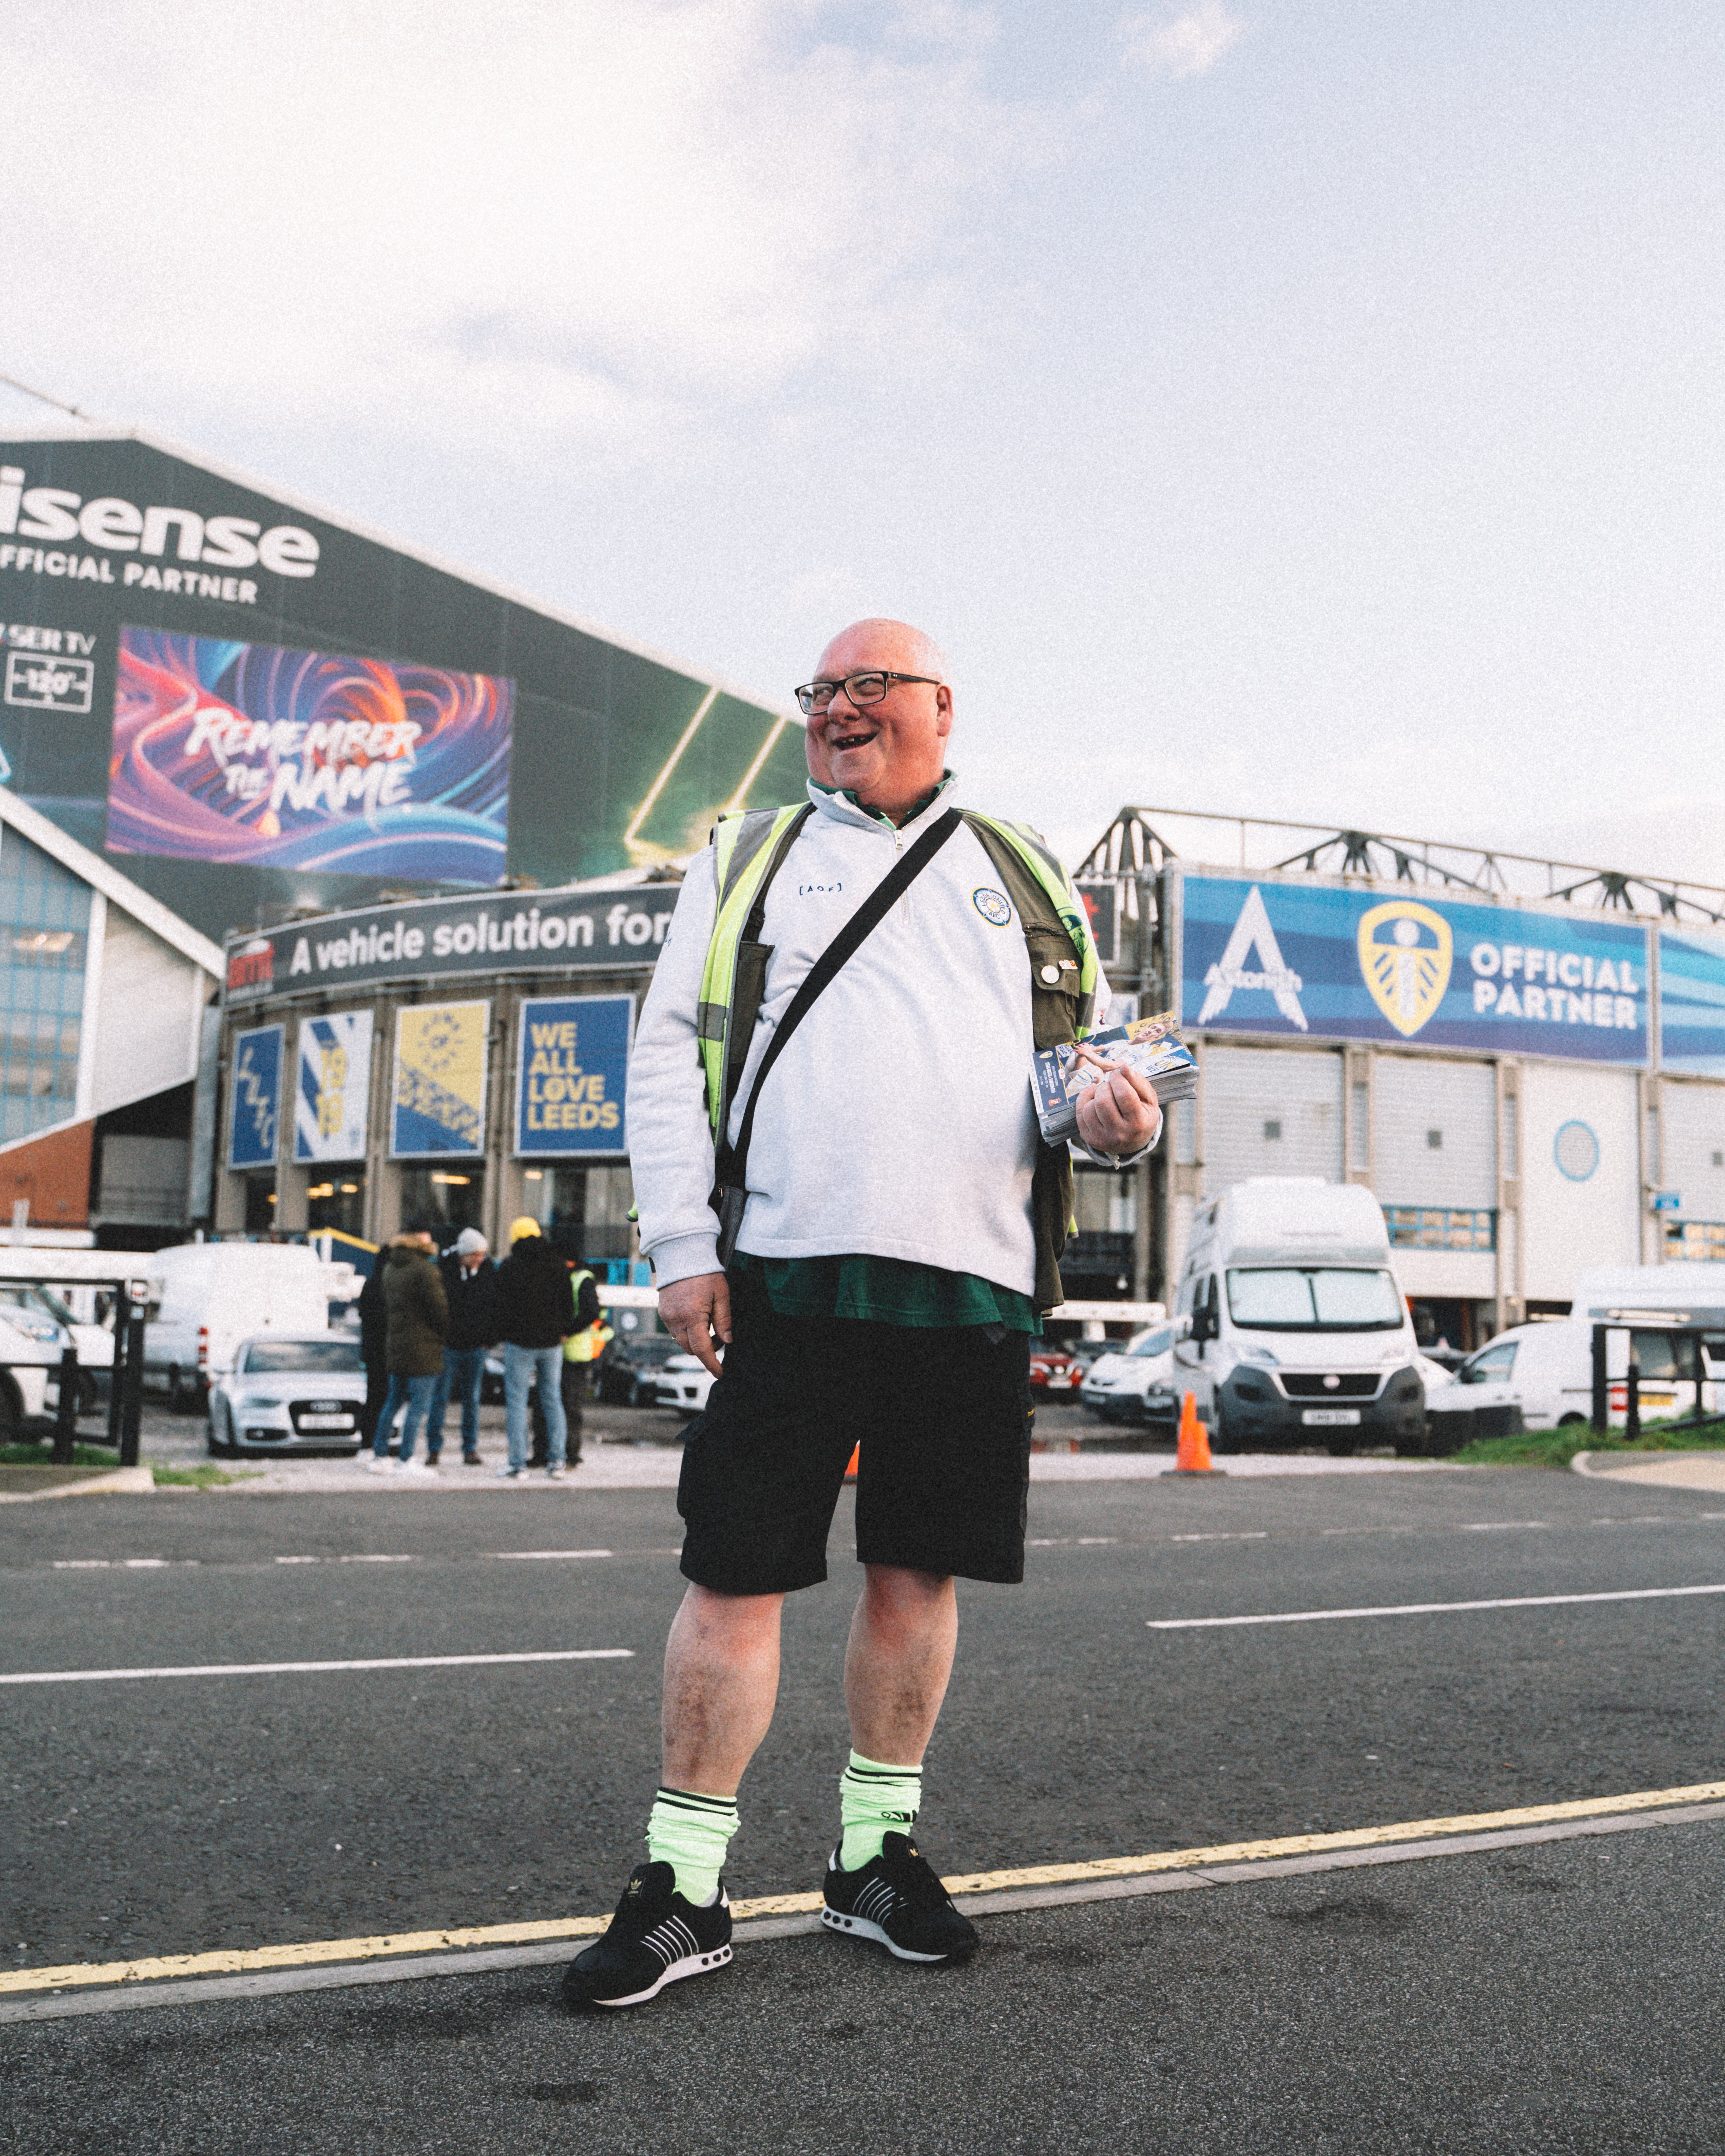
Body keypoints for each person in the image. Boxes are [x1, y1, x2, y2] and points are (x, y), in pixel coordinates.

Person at [564, 619, 1161, 2011]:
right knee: (736, 1575)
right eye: (820, 691)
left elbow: (1079, 1082)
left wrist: (1117, 1119)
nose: (837, 709)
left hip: (973, 1282)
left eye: (865, 686)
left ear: (941, 707)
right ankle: (684, 1887)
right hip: (784, 1270)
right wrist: (678, 1249)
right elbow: (665, 1055)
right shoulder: (748, 856)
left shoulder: (1023, 872)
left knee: (918, 1573)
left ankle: (873, 1859)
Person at [493, 1216, 574, 1478]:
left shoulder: (509, 1266)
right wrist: (563, 1330)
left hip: (520, 1344)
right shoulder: (558, 1265)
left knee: (517, 1403)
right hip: (552, 1343)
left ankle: (518, 1465)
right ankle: (558, 1462)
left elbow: (500, 1306)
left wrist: (504, 1333)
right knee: (553, 1400)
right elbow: (568, 1304)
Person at [369, 1228, 449, 1476]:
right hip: (424, 1348)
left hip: (397, 1346)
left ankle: (380, 1456)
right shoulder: (426, 1271)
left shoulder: (391, 1268)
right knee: (418, 1406)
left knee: (393, 1402)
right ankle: (407, 1459)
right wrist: (446, 1332)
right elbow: (439, 1310)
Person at [427, 1228, 499, 1466]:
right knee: (441, 1398)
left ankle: (470, 1448)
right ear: (464, 1255)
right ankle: (434, 1448)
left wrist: (489, 1338)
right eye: (476, 1255)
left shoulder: (487, 1270)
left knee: (472, 1399)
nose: (481, 1259)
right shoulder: (445, 1270)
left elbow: (492, 1306)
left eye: (482, 1254)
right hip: (450, 1345)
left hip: (476, 1345)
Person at [529, 1259, 606, 1468]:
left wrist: (566, 1331)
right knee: (552, 1404)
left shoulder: (581, 1279)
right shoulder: (564, 1277)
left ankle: (567, 1454)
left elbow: (592, 1312)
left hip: (572, 1354)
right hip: (557, 1351)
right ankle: (551, 1453)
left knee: (565, 1405)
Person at [354, 1255, 389, 1449]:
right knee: (384, 1399)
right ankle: (376, 1442)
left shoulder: (370, 1285)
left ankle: (368, 1442)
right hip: (384, 1350)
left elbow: (363, 1314)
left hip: (371, 1350)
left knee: (373, 1399)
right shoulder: (385, 1287)